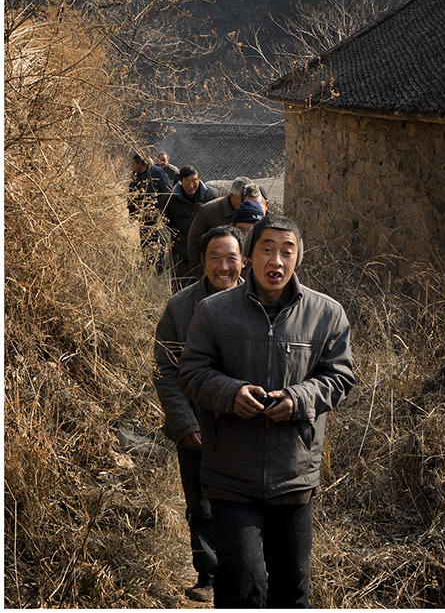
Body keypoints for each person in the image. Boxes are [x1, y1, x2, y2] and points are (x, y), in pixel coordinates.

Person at [179, 214, 354, 609]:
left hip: (293, 474)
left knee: (291, 588)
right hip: (230, 473)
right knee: (242, 585)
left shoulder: (326, 314)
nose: (276, 260)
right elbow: (191, 372)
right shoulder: (213, 311)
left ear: (298, 259)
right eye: (267, 249)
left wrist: (299, 399)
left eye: (286, 251)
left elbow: (340, 377)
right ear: (249, 257)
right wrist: (231, 393)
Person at [154, 226, 246, 603]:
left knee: (247, 503)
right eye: (215, 258)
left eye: (231, 258)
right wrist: (184, 423)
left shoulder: (260, 304)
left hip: (247, 427)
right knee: (201, 504)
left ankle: (246, 572)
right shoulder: (181, 307)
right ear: (202, 261)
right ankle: (208, 574)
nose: (223, 267)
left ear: (244, 260)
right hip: (197, 426)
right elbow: (166, 369)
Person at [164, 164, 218, 291]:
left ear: (199, 179)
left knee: (207, 290)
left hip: (204, 253)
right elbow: (167, 222)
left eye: (194, 180)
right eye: (187, 181)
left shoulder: (211, 196)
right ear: (180, 181)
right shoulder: (172, 199)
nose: (191, 185)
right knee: (181, 291)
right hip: (181, 253)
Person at [186, 176, 250, 280]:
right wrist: (202, 275)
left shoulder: (253, 212)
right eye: (242, 200)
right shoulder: (208, 211)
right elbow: (193, 243)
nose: (246, 204)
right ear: (232, 196)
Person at [127, 152, 172, 272]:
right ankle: (147, 264)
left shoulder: (156, 172)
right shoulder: (135, 175)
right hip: (143, 214)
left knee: (159, 240)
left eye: (133, 163)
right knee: (144, 240)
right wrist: (132, 212)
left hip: (158, 214)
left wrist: (160, 210)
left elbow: (167, 191)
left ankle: (159, 266)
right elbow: (131, 195)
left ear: (140, 163)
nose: (132, 166)